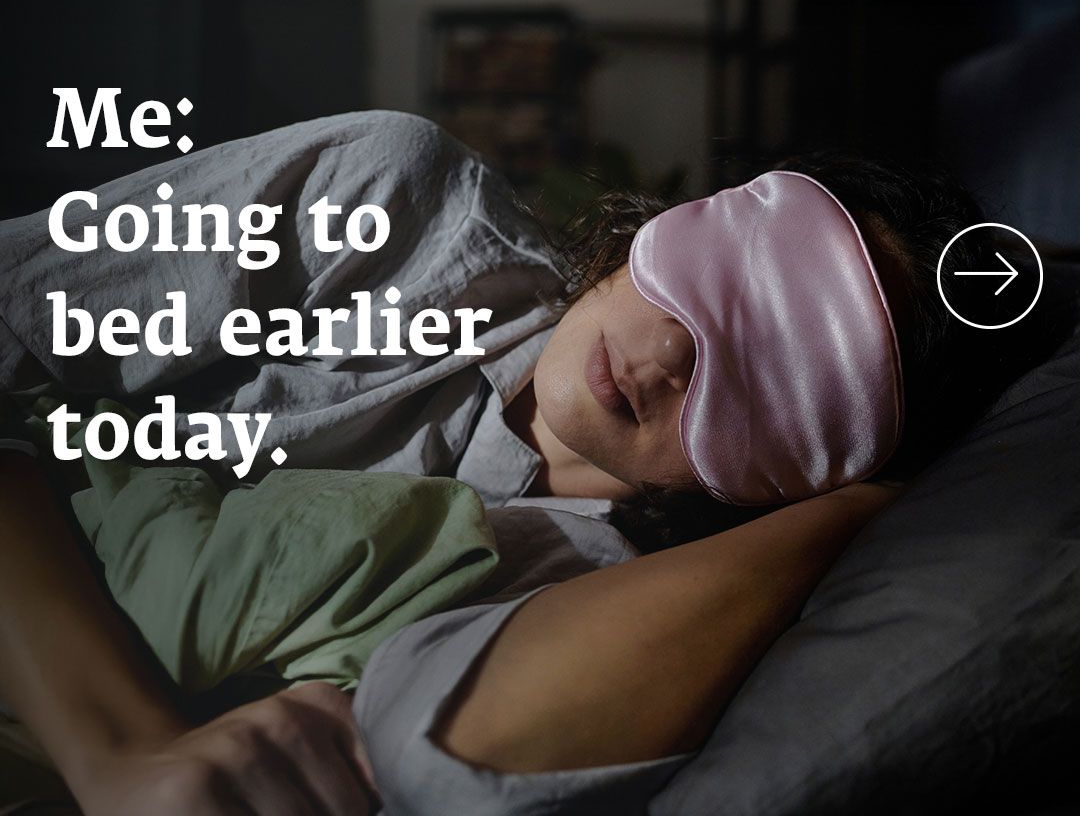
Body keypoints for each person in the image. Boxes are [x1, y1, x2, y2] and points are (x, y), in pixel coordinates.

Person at [0, 111, 993, 813]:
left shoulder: (602, 610)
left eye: (787, 386)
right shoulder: (395, 202)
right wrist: (118, 746)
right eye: (733, 277)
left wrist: (858, 511)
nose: (677, 352)